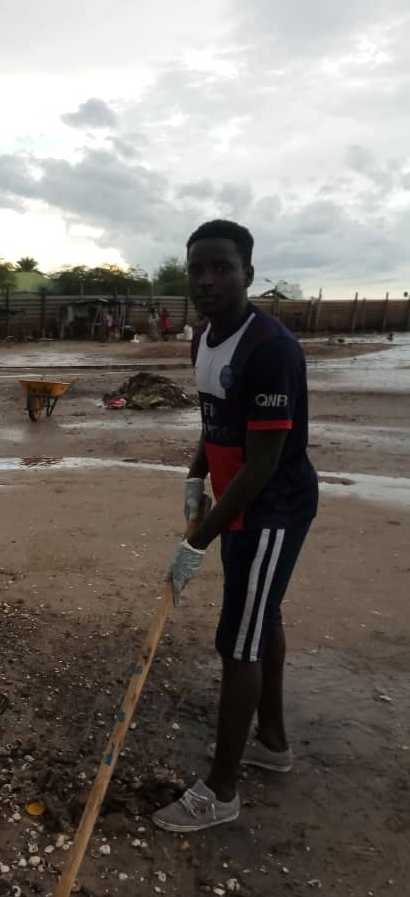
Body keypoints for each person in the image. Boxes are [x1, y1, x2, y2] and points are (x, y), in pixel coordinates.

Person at [152, 219, 318, 833]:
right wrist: (195, 476)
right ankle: (271, 743)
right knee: (260, 616)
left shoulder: (269, 348)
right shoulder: (201, 337)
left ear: (249, 273)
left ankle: (221, 792)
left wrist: (197, 540)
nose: (208, 280)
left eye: (222, 267)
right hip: (236, 503)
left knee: (239, 641)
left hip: (272, 509)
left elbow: (264, 462)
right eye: (197, 269)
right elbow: (216, 419)